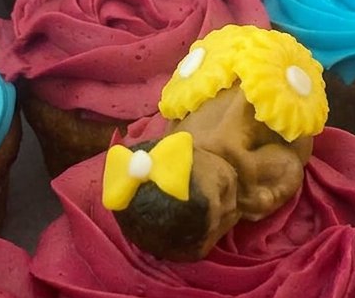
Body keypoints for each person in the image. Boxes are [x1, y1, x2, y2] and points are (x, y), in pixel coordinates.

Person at [102, 25, 328, 260]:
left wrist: (264, 196)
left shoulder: (240, 153)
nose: (231, 208)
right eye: (220, 224)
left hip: (276, 80)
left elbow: (292, 162)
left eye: (223, 189)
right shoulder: (182, 142)